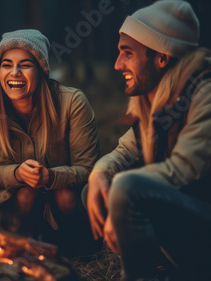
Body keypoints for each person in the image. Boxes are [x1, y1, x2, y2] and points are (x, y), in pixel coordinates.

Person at [85, 1, 211, 280]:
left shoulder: (204, 92)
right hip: (182, 223)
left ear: (161, 58)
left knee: (124, 186)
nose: (118, 64)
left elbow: (183, 170)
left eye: (127, 54)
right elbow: (124, 152)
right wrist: (101, 174)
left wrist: (121, 191)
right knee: (96, 189)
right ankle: (162, 268)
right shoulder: (153, 100)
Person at [0, 29, 101, 256]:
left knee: (64, 195)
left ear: (41, 69)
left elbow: (89, 168)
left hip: (69, 203)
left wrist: (51, 177)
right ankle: (28, 248)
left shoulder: (72, 102)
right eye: (6, 65)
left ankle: (77, 249)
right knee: (27, 193)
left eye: (25, 65)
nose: (14, 72)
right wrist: (18, 173)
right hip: (23, 205)